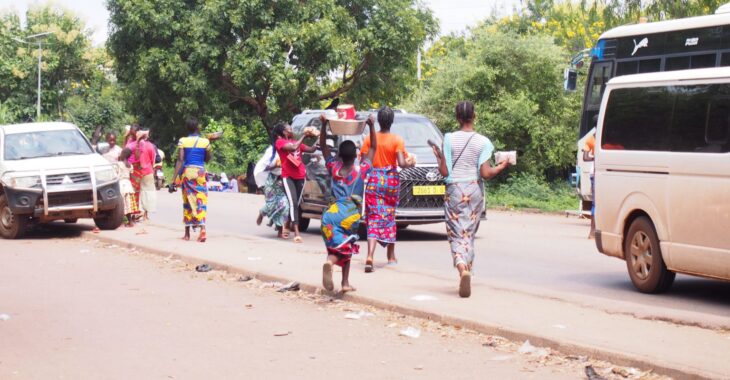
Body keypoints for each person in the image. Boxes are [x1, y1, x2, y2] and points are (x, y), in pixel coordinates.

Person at [432, 101, 511, 298]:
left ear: (457, 117)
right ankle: (468, 267)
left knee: (456, 232)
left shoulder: (449, 139)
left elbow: (444, 171)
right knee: (468, 232)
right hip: (474, 190)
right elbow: (485, 173)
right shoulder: (483, 142)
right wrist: (501, 166)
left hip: (455, 191)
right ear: (474, 116)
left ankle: (461, 267)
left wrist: (439, 157)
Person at [318, 114, 376, 292]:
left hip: (330, 214)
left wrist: (324, 125)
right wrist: (371, 126)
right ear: (356, 155)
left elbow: (323, 147)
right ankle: (341, 278)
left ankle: (333, 266)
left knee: (335, 244)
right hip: (349, 215)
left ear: (339, 156)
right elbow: (373, 147)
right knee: (347, 247)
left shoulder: (334, 168)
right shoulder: (362, 169)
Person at [360, 106, 414, 273]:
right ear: (391, 121)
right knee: (389, 216)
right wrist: (411, 162)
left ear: (379, 120)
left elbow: (363, 161)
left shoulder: (369, 138)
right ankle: (390, 256)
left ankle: (370, 255)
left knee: (374, 218)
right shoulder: (397, 140)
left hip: (374, 180)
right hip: (390, 181)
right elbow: (402, 163)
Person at [273, 122, 318, 243]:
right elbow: (293, 148)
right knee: (293, 202)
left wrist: (318, 139)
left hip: (301, 176)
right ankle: (297, 233)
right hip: (288, 176)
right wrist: (304, 136)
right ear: (284, 132)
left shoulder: (295, 142)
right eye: (289, 128)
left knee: (296, 203)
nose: (291, 129)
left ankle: (287, 223)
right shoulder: (280, 142)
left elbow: (311, 149)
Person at [173, 118, 212, 242]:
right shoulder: (205, 142)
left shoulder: (183, 141)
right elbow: (207, 159)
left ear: (187, 128)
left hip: (188, 173)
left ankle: (187, 234)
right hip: (200, 173)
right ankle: (203, 229)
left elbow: (180, 160)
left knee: (188, 201)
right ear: (198, 127)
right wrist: (209, 145)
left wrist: (173, 179)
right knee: (201, 200)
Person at [256, 145, 290, 238]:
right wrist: (275, 165)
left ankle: (280, 231)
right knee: (271, 204)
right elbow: (264, 168)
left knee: (284, 206)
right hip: (271, 181)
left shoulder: (290, 150)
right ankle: (262, 213)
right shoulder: (272, 152)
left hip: (283, 181)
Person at [583, 129, 596, 239]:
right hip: (597, 173)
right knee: (596, 203)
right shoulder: (592, 139)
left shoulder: (590, 139)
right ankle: (593, 231)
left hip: (597, 172)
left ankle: (593, 231)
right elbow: (585, 157)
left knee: (595, 203)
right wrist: (597, 158)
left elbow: (586, 157)